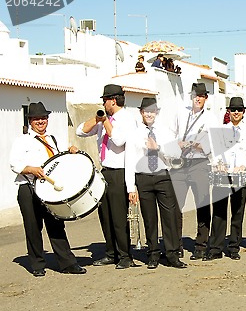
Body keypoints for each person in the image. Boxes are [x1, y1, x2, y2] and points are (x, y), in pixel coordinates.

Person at [10, 102, 87, 277]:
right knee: (33, 227)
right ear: (30, 121)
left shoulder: (54, 138)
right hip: (28, 188)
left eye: (43, 118)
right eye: (36, 118)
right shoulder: (22, 141)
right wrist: (31, 169)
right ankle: (37, 264)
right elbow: (14, 163)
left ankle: (67, 263)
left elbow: (62, 157)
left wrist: (72, 150)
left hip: (50, 190)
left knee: (56, 225)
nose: (40, 121)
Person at [76, 84, 138, 269]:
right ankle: (111, 253)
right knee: (106, 216)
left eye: (105, 100)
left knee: (119, 217)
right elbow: (81, 131)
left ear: (113, 100)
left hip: (120, 171)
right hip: (105, 172)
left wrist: (105, 123)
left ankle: (125, 256)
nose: (103, 103)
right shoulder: (105, 120)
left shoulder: (127, 118)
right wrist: (98, 119)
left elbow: (118, 140)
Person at [125, 97, 187, 269]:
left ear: (157, 113)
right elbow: (129, 161)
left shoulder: (165, 131)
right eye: (146, 111)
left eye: (152, 111)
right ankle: (152, 254)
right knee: (149, 219)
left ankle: (172, 254)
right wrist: (131, 187)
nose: (149, 114)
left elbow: (175, 153)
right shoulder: (134, 133)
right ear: (141, 113)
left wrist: (158, 148)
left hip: (163, 176)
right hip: (143, 178)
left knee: (169, 217)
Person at [205, 97, 246, 261]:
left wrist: (245, 167)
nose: (236, 113)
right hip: (223, 175)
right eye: (233, 110)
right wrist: (218, 164)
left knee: (237, 212)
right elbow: (214, 151)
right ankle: (215, 248)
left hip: (239, 175)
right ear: (229, 112)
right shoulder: (221, 129)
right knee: (219, 212)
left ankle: (234, 247)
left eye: (239, 110)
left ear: (243, 112)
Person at [170, 83, 216, 260]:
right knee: (175, 204)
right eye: (196, 95)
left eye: (202, 95)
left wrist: (198, 145)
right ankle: (176, 244)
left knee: (202, 204)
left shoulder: (211, 118)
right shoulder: (181, 114)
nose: (198, 98)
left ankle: (201, 245)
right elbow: (172, 134)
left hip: (200, 163)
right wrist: (178, 144)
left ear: (206, 98)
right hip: (180, 163)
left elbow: (213, 144)